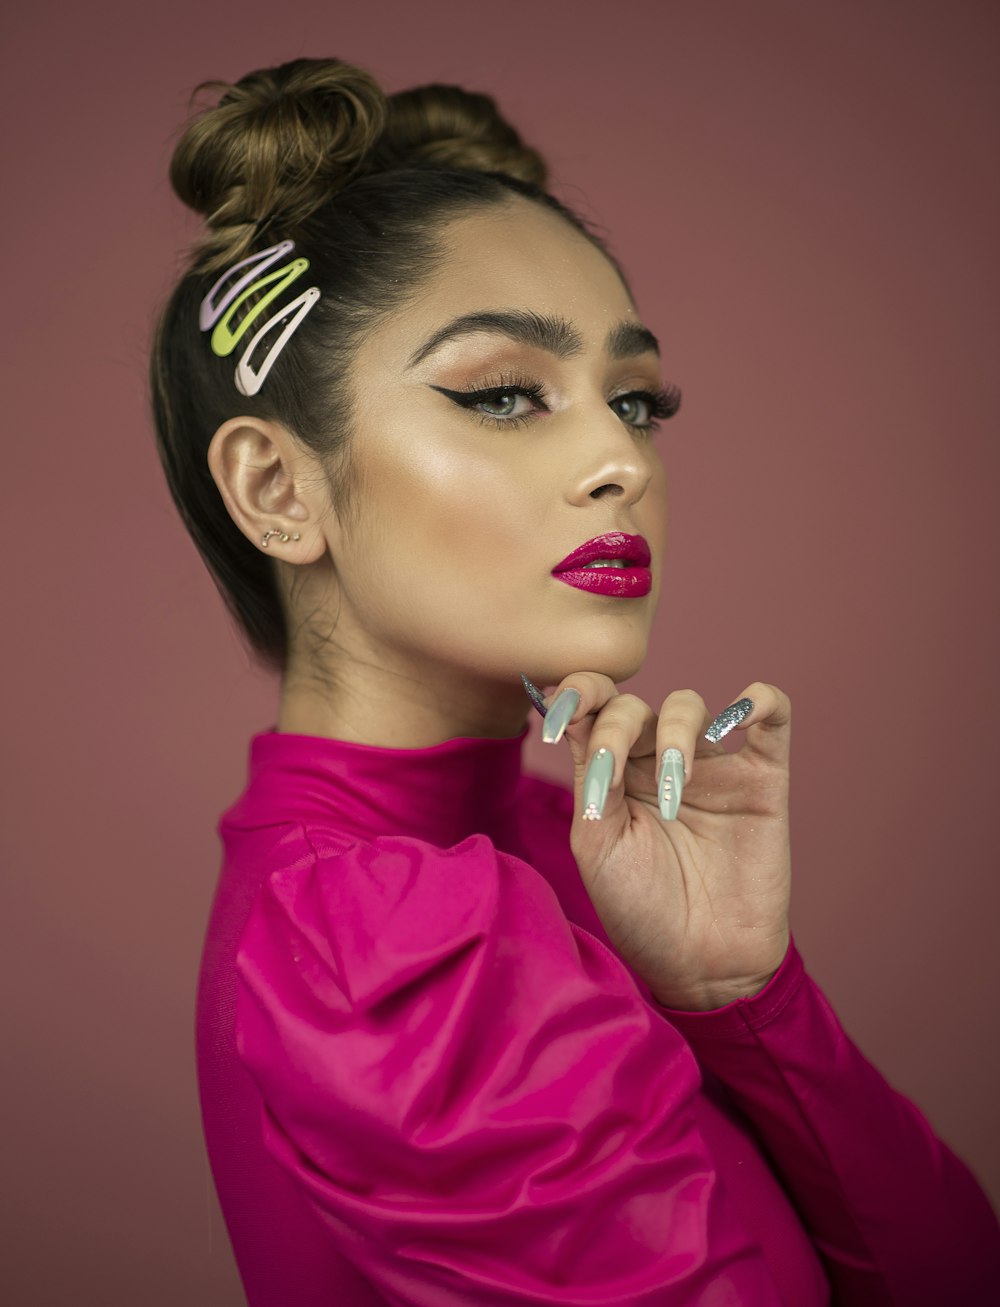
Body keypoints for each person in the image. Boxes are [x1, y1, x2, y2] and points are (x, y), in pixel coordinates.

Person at [151, 56, 1000, 1306]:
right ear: (279, 489)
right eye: (502, 394)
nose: (618, 458)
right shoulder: (380, 944)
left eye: (636, 399)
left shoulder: (567, 843)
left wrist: (740, 997)